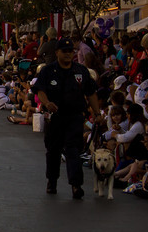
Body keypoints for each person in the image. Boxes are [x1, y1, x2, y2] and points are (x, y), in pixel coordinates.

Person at [33, 37, 101, 199]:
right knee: (53, 151)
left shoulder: (81, 71)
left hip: (74, 117)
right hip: (55, 117)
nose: (68, 54)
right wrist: (47, 102)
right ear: (57, 52)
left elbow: (90, 93)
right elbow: (39, 90)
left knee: (73, 150)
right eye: (65, 51)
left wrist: (97, 114)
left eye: (71, 51)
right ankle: (52, 181)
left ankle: (76, 185)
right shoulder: (48, 71)